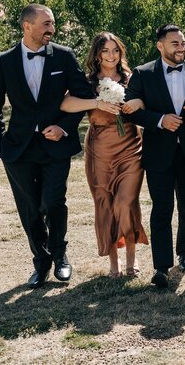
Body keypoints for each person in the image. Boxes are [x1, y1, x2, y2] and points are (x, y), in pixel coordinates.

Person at [0, 3, 92, 288]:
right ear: (27, 26)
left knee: (54, 202)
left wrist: (65, 127)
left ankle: (60, 256)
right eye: (46, 24)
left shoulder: (64, 57)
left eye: (53, 24)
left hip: (55, 145)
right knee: (30, 208)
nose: (51, 30)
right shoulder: (4, 60)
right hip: (18, 148)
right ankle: (40, 262)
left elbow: (83, 96)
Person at [59, 32, 149, 278]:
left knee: (126, 201)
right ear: (97, 55)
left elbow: (146, 101)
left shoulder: (132, 78)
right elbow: (65, 104)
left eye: (116, 51)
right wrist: (96, 104)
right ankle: (114, 263)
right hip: (99, 148)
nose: (111, 55)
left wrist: (136, 104)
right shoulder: (87, 82)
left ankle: (132, 257)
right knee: (105, 203)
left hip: (130, 145)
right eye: (106, 51)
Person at [124, 24, 185, 289]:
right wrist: (159, 120)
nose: (181, 47)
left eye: (183, 43)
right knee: (161, 209)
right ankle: (161, 266)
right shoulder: (142, 73)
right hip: (159, 152)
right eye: (175, 43)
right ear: (160, 46)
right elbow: (130, 110)